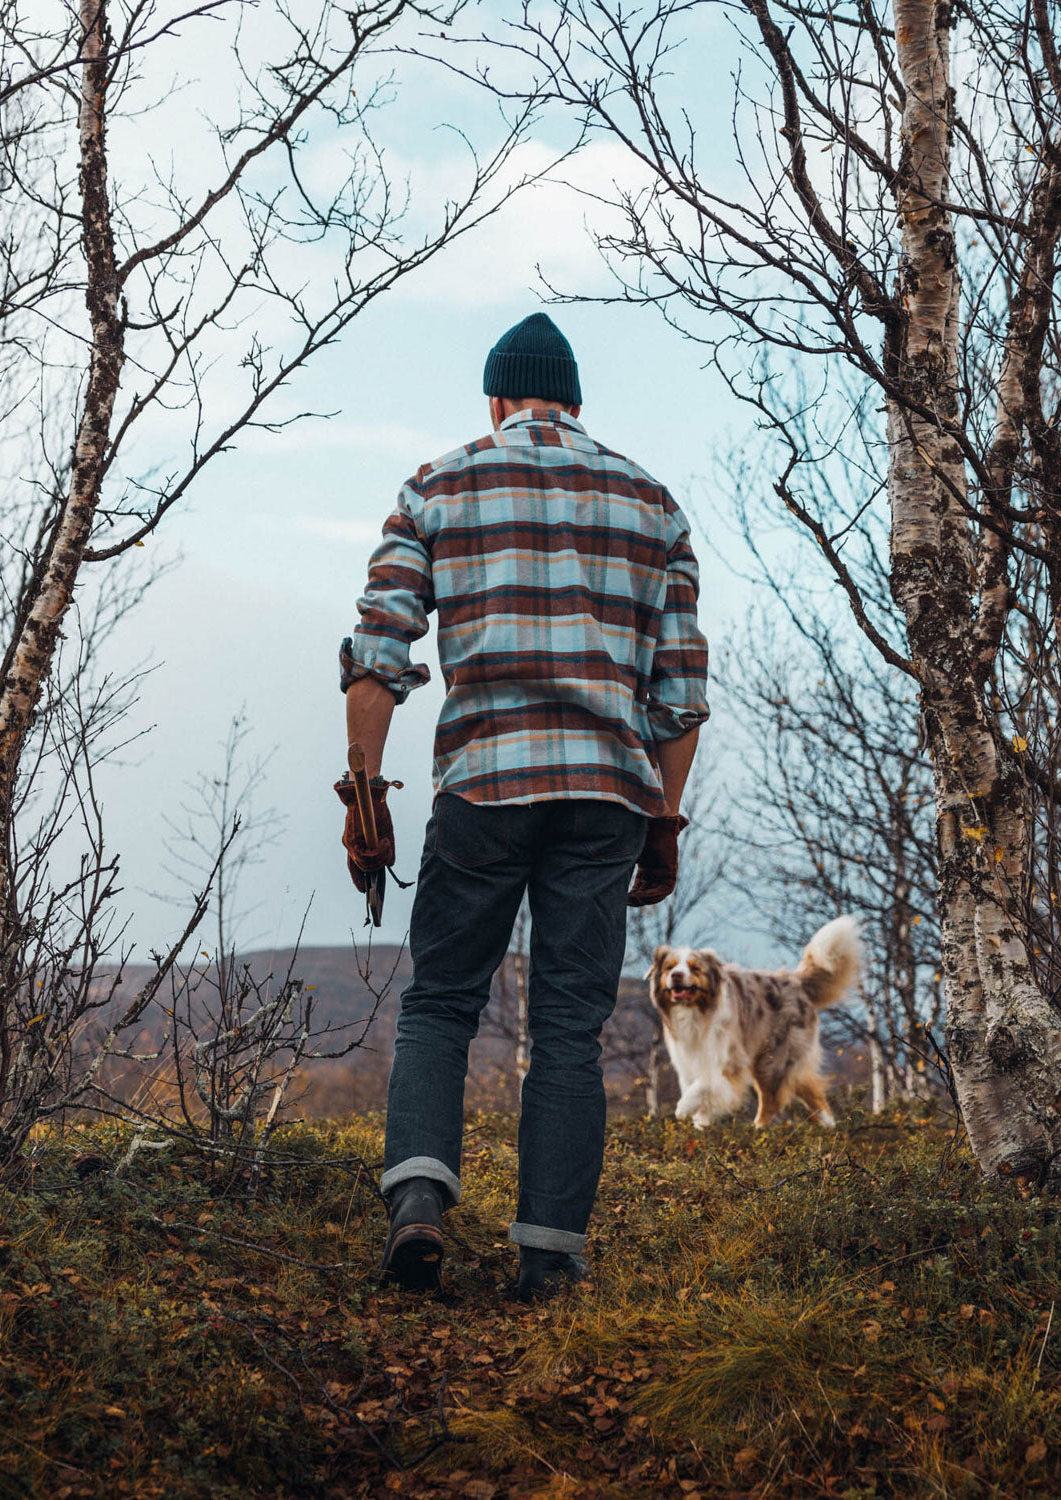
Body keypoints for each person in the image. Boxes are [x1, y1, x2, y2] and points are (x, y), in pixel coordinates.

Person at [338, 312, 709, 1300]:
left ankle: (419, 1201)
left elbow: (377, 653)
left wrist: (365, 796)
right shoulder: (654, 504)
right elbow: (680, 694)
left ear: (498, 400)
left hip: (484, 786)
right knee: (570, 1027)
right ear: (575, 401)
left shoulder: (438, 485)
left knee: (440, 1002)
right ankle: (548, 1258)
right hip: (605, 795)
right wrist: (664, 821)